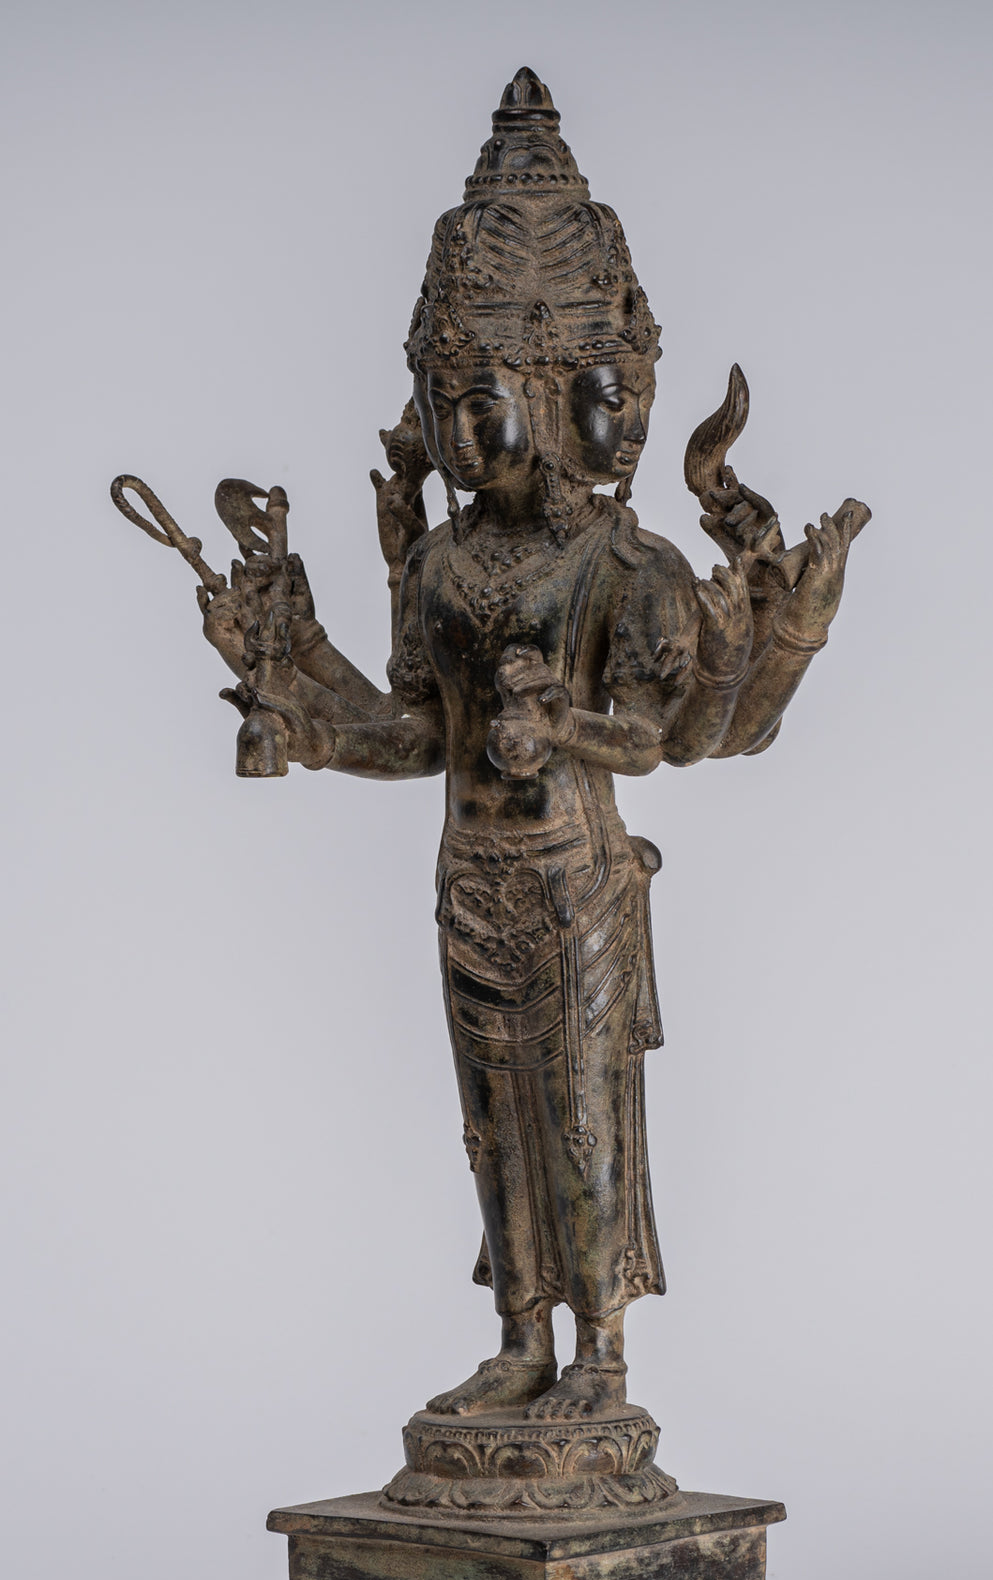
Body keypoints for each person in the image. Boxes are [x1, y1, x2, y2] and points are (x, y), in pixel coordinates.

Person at [201, 70, 857, 1419]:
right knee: (491, 1123)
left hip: (575, 883)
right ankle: (519, 1339)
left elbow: (655, 740)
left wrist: (562, 722)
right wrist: (302, 716)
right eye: (448, 401)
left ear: (572, 398)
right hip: (468, 884)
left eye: (484, 399)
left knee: (581, 1118)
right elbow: (417, 734)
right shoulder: (438, 563)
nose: (458, 431)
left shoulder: (623, 563)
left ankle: (600, 1357)